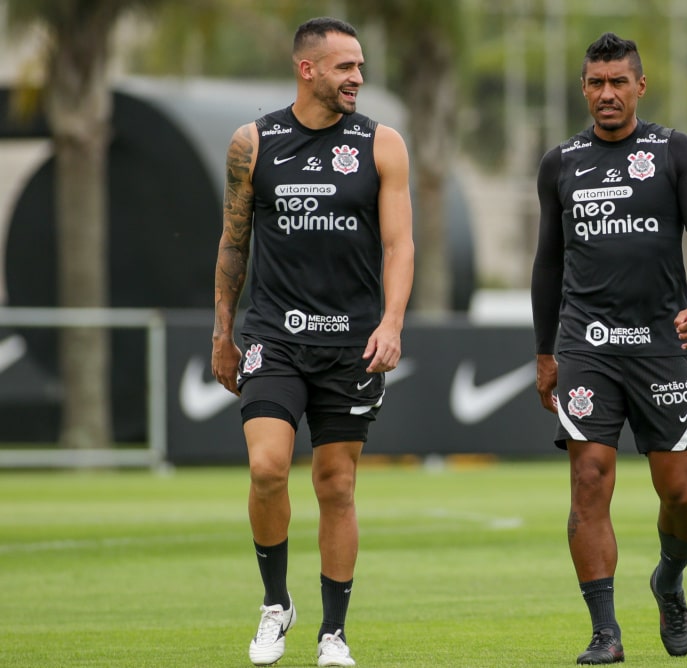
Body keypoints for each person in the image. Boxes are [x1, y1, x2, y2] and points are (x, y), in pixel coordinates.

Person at [211, 17, 414, 668]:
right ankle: (276, 605)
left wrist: (392, 322)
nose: (357, 77)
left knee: (335, 483)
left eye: (360, 66)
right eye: (344, 67)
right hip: (274, 334)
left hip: (351, 342)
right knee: (268, 467)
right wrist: (223, 330)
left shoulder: (382, 144)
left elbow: (399, 244)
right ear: (307, 70)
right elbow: (233, 242)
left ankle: (334, 634)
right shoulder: (254, 142)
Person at [531, 32, 687, 664]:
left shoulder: (673, 151)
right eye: (595, 82)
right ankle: (605, 633)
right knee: (589, 480)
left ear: (640, 86)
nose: (606, 93)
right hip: (586, 344)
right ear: (583, 87)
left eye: (618, 82)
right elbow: (547, 263)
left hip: (659, 345)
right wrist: (544, 351)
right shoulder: (560, 163)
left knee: (682, 494)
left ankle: (668, 581)